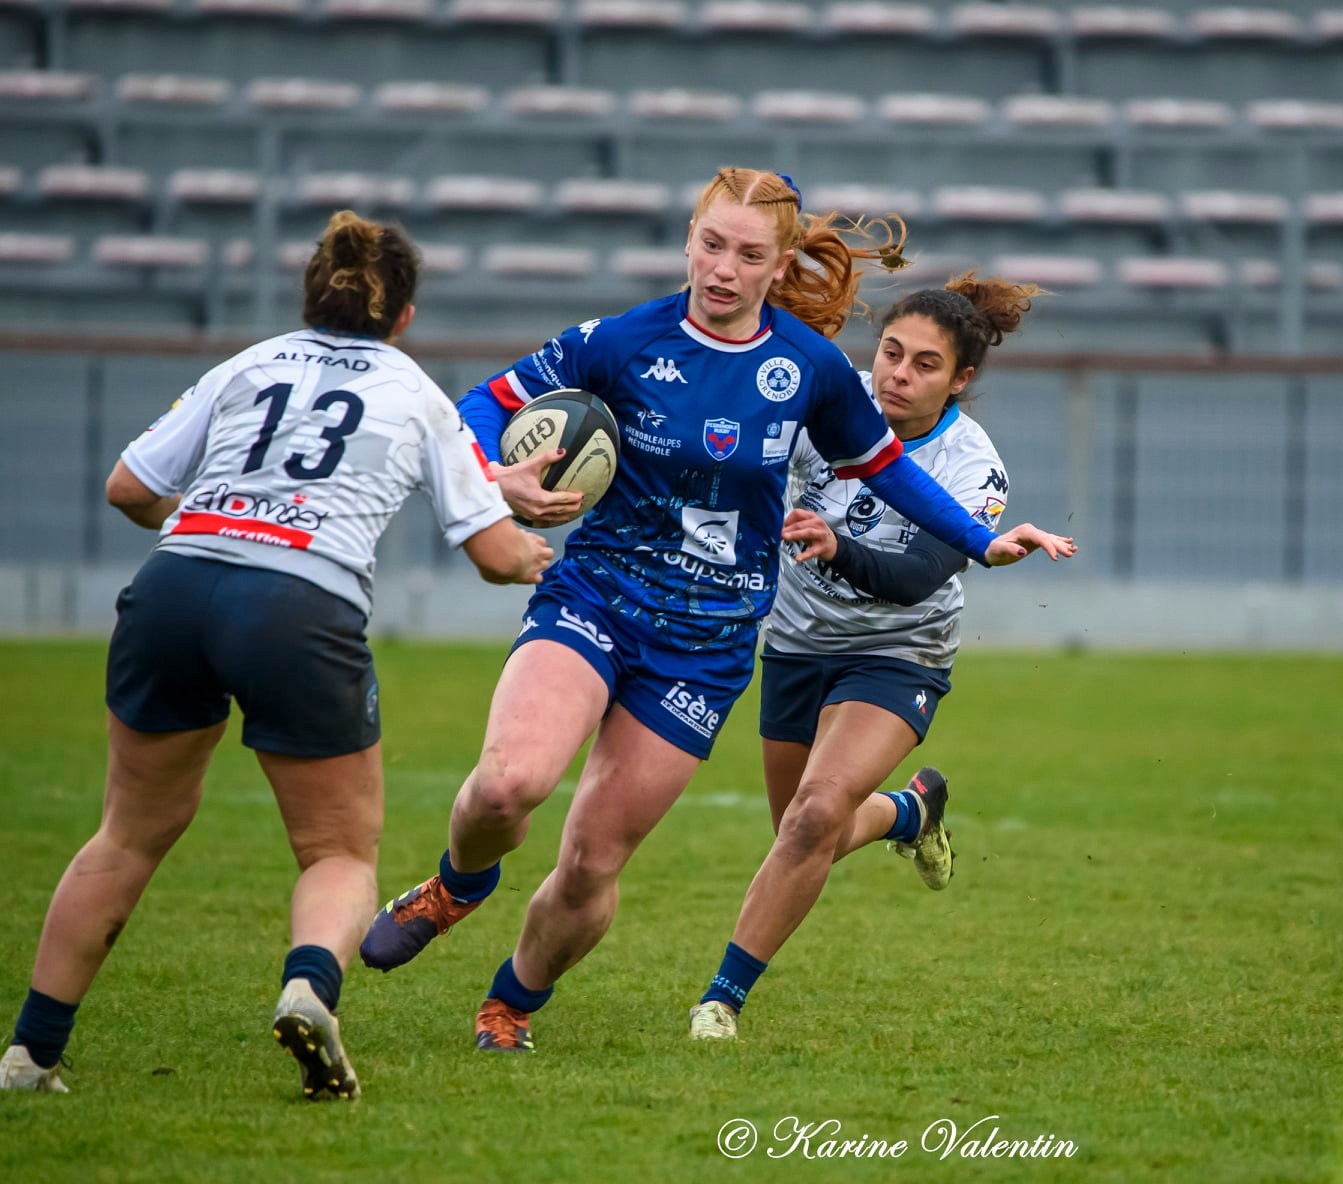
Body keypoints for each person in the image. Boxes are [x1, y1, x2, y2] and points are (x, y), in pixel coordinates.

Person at [357, 167, 1075, 1054]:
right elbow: (476, 405)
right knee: (509, 784)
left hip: (708, 643)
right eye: (710, 244)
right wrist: (492, 473)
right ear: (687, 242)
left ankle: (511, 1004)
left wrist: (978, 539)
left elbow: (886, 469)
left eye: (747, 254)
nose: (722, 269)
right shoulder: (621, 341)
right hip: (600, 597)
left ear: (777, 268)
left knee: (590, 863)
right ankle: (456, 886)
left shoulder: (807, 368)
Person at [0, 211, 554, 1099]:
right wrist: (530, 548)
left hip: (172, 589)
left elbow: (128, 487)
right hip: (298, 607)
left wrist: (198, 528)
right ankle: (308, 987)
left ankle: (30, 1055)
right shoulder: (414, 390)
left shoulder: (251, 362)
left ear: (311, 295)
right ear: (403, 316)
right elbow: (493, 557)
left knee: (127, 833)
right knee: (337, 851)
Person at [686, 271, 1046, 1039]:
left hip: (897, 650)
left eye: (924, 365)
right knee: (797, 831)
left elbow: (914, 577)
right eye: (890, 353)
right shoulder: (828, 400)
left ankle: (720, 1000)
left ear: (960, 380)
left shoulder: (971, 466)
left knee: (814, 820)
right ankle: (910, 813)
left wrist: (834, 545)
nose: (898, 375)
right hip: (792, 641)